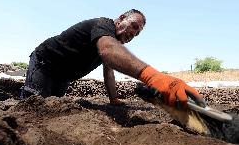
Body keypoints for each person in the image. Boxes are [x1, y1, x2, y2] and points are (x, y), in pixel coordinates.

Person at [20, 9, 205, 108]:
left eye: (137, 33)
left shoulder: (111, 43)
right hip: (46, 63)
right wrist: (154, 77)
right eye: (133, 26)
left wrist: (113, 99)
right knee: (32, 106)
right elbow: (108, 50)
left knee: (50, 108)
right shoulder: (103, 25)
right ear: (121, 18)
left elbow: (109, 71)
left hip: (63, 77)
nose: (133, 34)